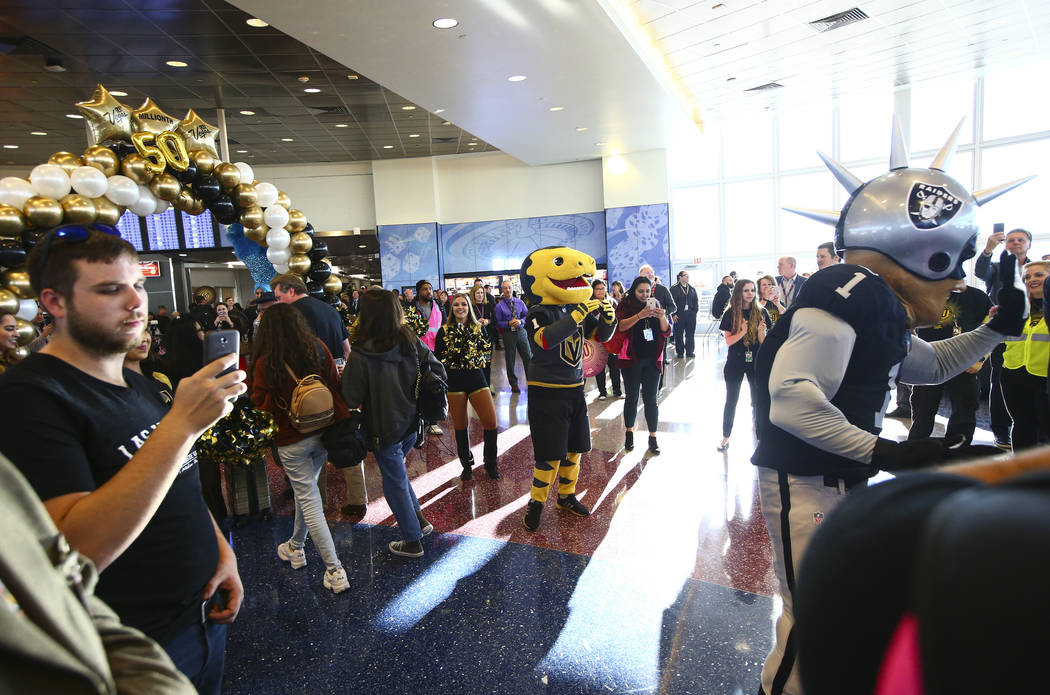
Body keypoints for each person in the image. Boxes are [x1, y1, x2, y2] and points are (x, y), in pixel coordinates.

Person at [751, 128, 1030, 695]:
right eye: (954, 260)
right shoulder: (846, 287)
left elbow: (927, 364)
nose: (956, 278)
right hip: (806, 478)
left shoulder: (874, 299)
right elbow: (793, 399)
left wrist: (993, 332)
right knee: (812, 617)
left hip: (835, 475)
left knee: (831, 609)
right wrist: (887, 451)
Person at [0, 223, 247, 694]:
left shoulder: (136, 381)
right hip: (134, 643)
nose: (137, 302)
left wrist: (220, 551)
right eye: (111, 290)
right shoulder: (29, 398)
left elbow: (179, 480)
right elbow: (74, 551)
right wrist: (181, 426)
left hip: (202, 612)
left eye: (136, 284)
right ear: (55, 303)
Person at [0, 453, 198, 692]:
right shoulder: (28, 424)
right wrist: (184, 427)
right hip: (156, 626)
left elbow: (67, 586)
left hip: (165, 634)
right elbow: (80, 547)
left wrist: (219, 548)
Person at [251, 303, 351, 593]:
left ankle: (335, 570)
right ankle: (295, 547)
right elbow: (334, 383)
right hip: (323, 431)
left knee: (307, 498)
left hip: (290, 437)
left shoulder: (266, 361)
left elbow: (260, 403)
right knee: (306, 493)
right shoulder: (317, 347)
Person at [519, 247, 617, 532]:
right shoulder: (538, 311)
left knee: (575, 449)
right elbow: (544, 340)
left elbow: (601, 337)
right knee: (550, 453)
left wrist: (609, 319)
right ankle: (536, 503)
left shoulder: (577, 308)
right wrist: (576, 316)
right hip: (546, 390)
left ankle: (566, 496)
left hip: (575, 388)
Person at [342, 289, 443, 558]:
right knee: (398, 475)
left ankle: (411, 541)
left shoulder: (361, 354)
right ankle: (419, 522)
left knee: (393, 481)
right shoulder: (412, 342)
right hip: (413, 422)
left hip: (382, 426)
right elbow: (438, 372)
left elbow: (351, 396)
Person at [907, 286, 991, 444]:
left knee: (964, 412)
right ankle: (914, 451)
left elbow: (992, 327)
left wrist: (980, 358)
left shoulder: (976, 296)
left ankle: (957, 452)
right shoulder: (920, 293)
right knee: (922, 411)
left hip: (965, 362)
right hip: (927, 360)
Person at [976, 227, 1032, 449]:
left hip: (1033, 333)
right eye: (1011, 240)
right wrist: (989, 249)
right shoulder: (997, 268)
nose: (1016, 243)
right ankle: (1001, 431)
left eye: (1021, 240)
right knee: (1000, 381)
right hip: (1002, 333)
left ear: (1029, 244)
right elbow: (981, 272)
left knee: (1032, 381)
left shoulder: (1036, 268)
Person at [436, 293, 500, 480]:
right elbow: (439, 360)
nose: (460, 307)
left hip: (477, 379)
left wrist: (487, 382)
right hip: (454, 381)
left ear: (469, 307)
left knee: (491, 423)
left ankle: (490, 464)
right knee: (460, 425)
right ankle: (467, 465)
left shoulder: (479, 328)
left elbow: (486, 357)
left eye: (464, 304)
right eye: (456, 304)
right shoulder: (444, 331)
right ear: (452, 308)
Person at [615, 276, 672, 454]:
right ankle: (629, 433)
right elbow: (620, 326)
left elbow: (666, 330)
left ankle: (653, 437)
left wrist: (662, 317)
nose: (644, 294)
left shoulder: (656, 303)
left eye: (647, 291)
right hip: (631, 359)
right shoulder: (625, 304)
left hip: (653, 358)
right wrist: (640, 315)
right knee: (631, 397)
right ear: (634, 290)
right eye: (641, 291)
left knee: (651, 399)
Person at [999, 261, 1050, 451]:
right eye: (1027, 277)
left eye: (1039, 275)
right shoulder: (1016, 308)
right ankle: (1021, 473)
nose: (1032, 280)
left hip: (1044, 376)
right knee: (1021, 425)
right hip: (1014, 374)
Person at [717, 279, 770, 452]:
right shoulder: (730, 314)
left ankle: (761, 436)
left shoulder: (761, 312)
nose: (750, 293)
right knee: (731, 400)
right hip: (735, 361)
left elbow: (765, 343)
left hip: (755, 361)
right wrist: (743, 332)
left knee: (757, 401)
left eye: (752, 290)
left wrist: (760, 334)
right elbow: (729, 341)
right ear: (739, 292)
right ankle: (725, 437)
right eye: (746, 290)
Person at [271, 273, 350, 365]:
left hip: (308, 372)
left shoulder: (290, 312)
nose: (278, 303)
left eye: (279, 298)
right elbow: (347, 349)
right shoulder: (331, 309)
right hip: (337, 369)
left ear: (291, 291)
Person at [404, 279, 444, 435]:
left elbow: (444, 327)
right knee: (416, 385)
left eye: (430, 288)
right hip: (416, 352)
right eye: (425, 289)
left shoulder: (438, 307)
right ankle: (418, 419)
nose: (428, 291)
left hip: (434, 351)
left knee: (433, 384)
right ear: (418, 291)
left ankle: (432, 421)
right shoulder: (411, 309)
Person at [494, 279, 532, 393]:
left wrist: (521, 321)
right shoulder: (499, 306)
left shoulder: (520, 302)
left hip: (521, 332)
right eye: (505, 288)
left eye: (509, 287)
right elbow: (497, 323)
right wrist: (507, 323)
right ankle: (513, 383)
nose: (508, 290)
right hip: (508, 334)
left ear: (512, 289)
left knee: (528, 357)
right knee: (510, 359)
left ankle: (532, 382)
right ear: (502, 290)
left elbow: (527, 315)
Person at [639, 264, 676, 364]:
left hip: (660, 325)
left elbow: (673, 306)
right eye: (647, 273)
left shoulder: (662, 289)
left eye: (652, 272)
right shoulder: (636, 291)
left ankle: (661, 362)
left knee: (659, 351)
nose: (651, 274)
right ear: (640, 276)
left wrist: (664, 312)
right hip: (642, 325)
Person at [124, 328, 174, 403]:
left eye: (145, 330)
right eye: (132, 331)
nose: (144, 339)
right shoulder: (112, 389)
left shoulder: (160, 379)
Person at [591, 279, 621, 399]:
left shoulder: (612, 302)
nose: (601, 291)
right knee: (600, 367)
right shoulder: (589, 304)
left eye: (603, 288)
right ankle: (602, 392)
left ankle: (617, 390)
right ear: (593, 290)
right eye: (598, 289)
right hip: (596, 339)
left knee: (614, 366)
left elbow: (618, 319)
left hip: (611, 339)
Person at [470, 284, 496, 388]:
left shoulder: (488, 305)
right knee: (476, 364)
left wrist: (488, 321)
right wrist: (476, 322)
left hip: (487, 338)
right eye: (478, 293)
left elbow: (495, 320)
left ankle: (487, 386)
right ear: (473, 294)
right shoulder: (470, 306)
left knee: (487, 363)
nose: (480, 295)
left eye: (482, 293)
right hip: (474, 338)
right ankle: (477, 386)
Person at [670, 270, 699, 358]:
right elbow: (671, 302)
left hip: (690, 315)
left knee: (690, 334)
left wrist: (694, 312)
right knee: (679, 334)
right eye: (685, 275)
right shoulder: (674, 289)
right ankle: (680, 352)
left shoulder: (692, 289)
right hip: (679, 315)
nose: (687, 277)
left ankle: (690, 351)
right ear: (680, 277)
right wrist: (673, 314)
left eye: (688, 276)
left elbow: (696, 302)